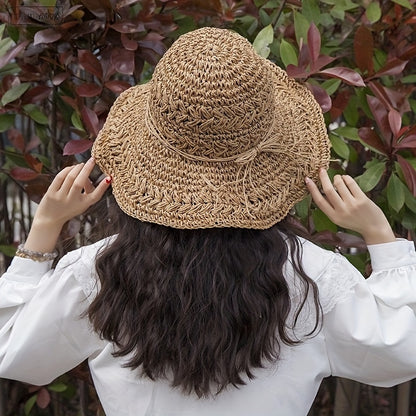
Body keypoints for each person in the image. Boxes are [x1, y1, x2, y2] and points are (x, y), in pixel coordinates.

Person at [1, 27, 416, 416]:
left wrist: (42, 232)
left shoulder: (99, 274)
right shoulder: (313, 277)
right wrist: (381, 237)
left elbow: (11, 351)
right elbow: (401, 351)